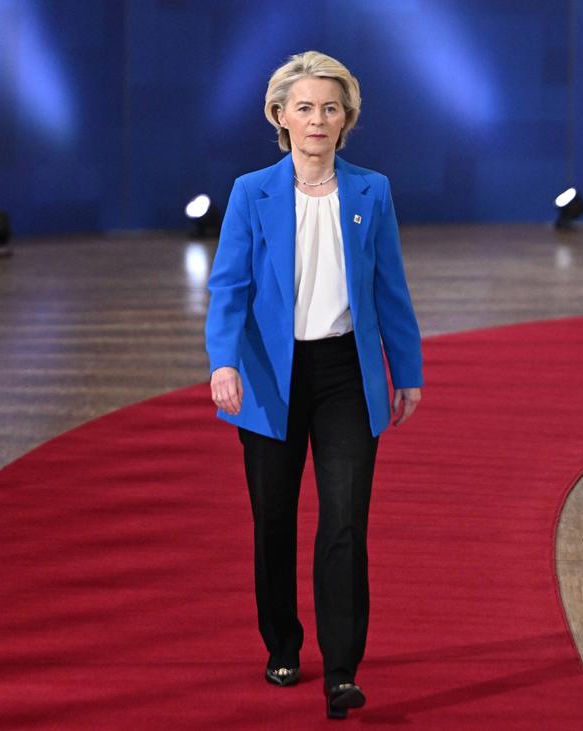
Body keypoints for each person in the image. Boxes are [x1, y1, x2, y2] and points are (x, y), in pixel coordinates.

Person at [204, 51, 423, 720]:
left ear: (347, 118)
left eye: (331, 107)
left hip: (345, 375)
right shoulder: (251, 192)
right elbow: (228, 286)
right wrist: (222, 361)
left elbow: (390, 287)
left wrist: (407, 370)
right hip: (269, 376)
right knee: (273, 519)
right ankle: (282, 643)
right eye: (305, 107)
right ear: (280, 116)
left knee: (345, 520)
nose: (318, 119)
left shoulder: (372, 191)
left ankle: (342, 669)